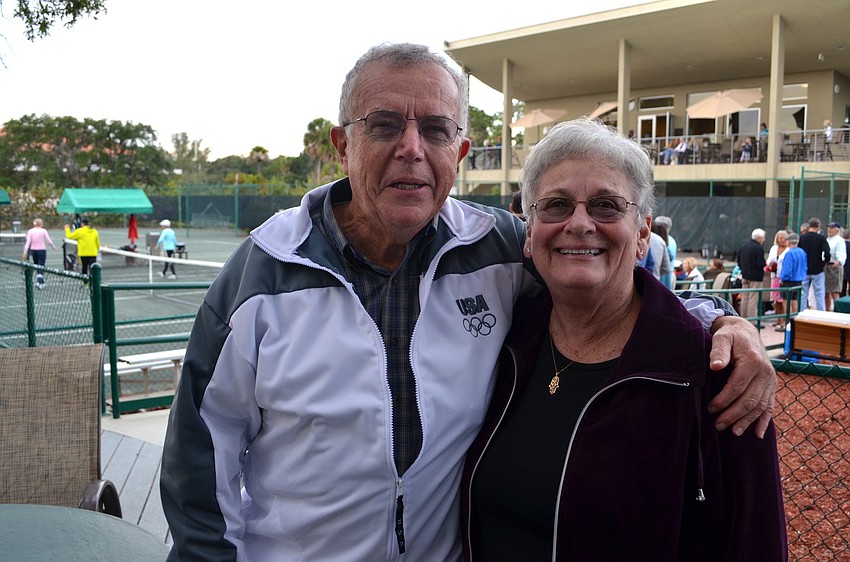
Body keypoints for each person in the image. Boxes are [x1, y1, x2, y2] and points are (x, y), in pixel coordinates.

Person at [160, 43, 776, 561]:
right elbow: (198, 465)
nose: (412, 148)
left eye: (435, 129)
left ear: (458, 153)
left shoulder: (498, 249)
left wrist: (721, 323)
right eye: (384, 125)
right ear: (342, 144)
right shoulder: (261, 274)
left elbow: (604, 282)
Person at [460, 118, 787, 561]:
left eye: (606, 206)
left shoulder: (714, 373)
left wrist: (728, 322)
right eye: (556, 205)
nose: (580, 223)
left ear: (642, 235)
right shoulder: (505, 339)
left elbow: (756, 541)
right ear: (529, 232)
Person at [799, 217, 831, 311]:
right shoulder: (821, 238)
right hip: (817, 269)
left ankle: (802, 312)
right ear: (818, 226)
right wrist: (825, 262)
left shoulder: (802, 238)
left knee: (803, 293)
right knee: (819, 293)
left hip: (804, 269)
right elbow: (827, 252)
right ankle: (821, 313)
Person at [737, 228, 766, 324]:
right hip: (756, 277)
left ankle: (743, 318)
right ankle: (752, 321)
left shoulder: (744, 246)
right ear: (760, 238)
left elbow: (739, 261)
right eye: (763, 238)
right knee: (753, 299)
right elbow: (760, 264)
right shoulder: (758, 248)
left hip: (745, 275)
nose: (764, 240)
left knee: (745, 297)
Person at [22, 218, 57, 289]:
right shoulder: (43, 231)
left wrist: (25, 252)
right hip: (41, 250)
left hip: (33, 250)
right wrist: (53, 246)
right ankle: (39, 282)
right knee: (41, 265)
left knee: (37, 265)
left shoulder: (30, 231)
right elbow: (48, 240)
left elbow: (28, 242)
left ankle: (41, 281)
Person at [779, 233, 807, 316]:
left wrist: (783, 278)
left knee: (786, 302)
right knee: (795, 302)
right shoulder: (802, 252)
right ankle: (795, 319)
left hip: (788, 281)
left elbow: (787, 270)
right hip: (799, 281)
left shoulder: (789, 253)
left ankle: (788, 321)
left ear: (789, 242)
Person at [766, 229, 789, 330]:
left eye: (785, 238)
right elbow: (769, 260)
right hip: (774, 277)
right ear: (777, 239)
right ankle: (778, 319)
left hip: (783, 278)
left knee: (783, 299)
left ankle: (784, 321)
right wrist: (770, 263)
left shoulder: (789, 249)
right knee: (776, 300)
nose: (783, 240)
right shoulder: (774, 248)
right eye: (781, 238)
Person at [825, 221, 846, 310]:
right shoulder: (827, 239)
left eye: (832, 228)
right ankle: (827, 311)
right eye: (829, 228)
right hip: (826, 266)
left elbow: (842, 254)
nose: (829, 230)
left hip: (834, 267)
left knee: (835, 292)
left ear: (837, 230)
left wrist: (839, 262)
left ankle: (838, 311)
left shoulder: (839, 240)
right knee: (826, 292)